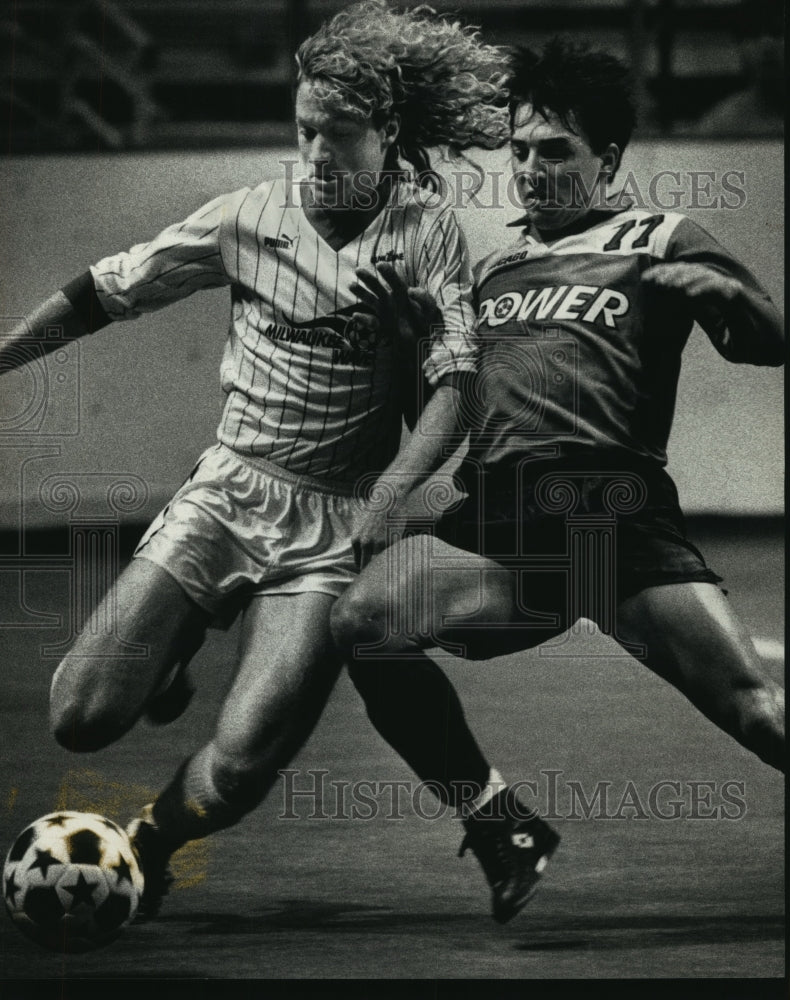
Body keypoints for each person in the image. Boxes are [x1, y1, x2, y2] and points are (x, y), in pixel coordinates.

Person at [0, 1, 511, 919]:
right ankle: (176, 649)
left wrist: (394, 492)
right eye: (305, 128)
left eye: (340, 134)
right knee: (78, 717)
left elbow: (459, 385)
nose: (316, 152)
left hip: (331, 527)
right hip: (228, 494)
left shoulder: (427, 232)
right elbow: (102, 292)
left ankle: (151, 843)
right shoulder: (247, 218)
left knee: (242, 762)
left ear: (388, 133)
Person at [332, 37, 785, 915]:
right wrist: (409, 346)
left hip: (609, 515)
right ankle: (503, 828)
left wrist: (730, 303)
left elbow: (766, 343)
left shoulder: (660, 236)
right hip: (501, 519)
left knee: (757, 713)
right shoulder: (498, 268)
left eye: (556, 152)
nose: (532, 171)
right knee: (366, 621)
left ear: (608, 158)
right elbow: (453, 404)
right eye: (522, 152)